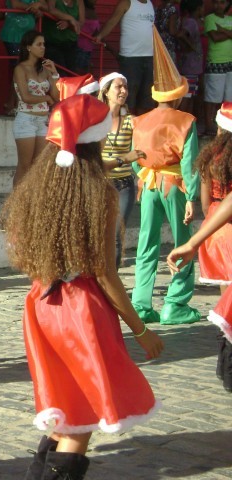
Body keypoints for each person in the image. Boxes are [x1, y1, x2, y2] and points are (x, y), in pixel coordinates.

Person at [3, 94, 163, 480]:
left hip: (42, 304)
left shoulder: (37, 186)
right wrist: (140, 329)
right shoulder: (98, 193)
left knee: (65, 404)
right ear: (96, 139)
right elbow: (105, 273)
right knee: (83, 413)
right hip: (81, 311)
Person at [131, 27, 201, 325]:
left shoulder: (140, 121)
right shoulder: (186, 121)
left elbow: (135, 159)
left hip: (148, 184)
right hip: (174, 186)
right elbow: (190, 163)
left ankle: (140, 304)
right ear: (178, 95)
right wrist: (192, 197)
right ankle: (175, 304)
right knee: (183, 243)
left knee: (146, 245)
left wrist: (144, 176)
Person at [167, 102, 232, 393]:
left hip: (215, 232)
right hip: (227, 230)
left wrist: (205, 233)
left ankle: (225, 363)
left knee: (226, 301)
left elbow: (206, 205)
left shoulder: (209, 159)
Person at [98, 72, 146, 268]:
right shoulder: (95, 120)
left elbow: (141, 150)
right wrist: (124, 158)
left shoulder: (132, 121)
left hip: (124, 184)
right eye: (118, 86)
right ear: (106, 91)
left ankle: (112, 277)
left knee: (116, 235)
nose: (124, 91)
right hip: (99, 184)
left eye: (125, 87)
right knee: (98, 234)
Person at [12, 30, 60, 185]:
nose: (43, 48)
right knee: (24, 164)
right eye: (39, 44)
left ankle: (31, 197)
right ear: (28, 47)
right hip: (26, 119)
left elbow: (57, 97)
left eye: (44, 44)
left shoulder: (45, 69)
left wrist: (54, 74)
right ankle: (16, 199)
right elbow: (26, 97)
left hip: (43, 120)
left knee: (38, 166)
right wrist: (46, 98)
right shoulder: (20, 69)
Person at [195, 102, 232, 289]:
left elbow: (204, 203)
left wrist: (211, 219)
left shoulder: (209, 158)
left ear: (220, 129)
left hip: (215, 223)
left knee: (225, 286)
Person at [95, 0, 155, 115]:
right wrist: (100, 36)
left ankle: (142, 125)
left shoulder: (150, 4)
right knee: (128, 97)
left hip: (149, 57)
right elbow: (112, 21)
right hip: (131, 58)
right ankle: (126, 124)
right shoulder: (127, 2)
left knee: (146, 99)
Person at [0, 0, 47, 115]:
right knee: (19, 70)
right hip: (13, 35)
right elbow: (15, 4)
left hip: (27, 38)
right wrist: (33, 8)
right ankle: (11, 104)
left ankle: (13, 104)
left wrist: (39, 5)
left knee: (22, 69)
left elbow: (46, 6)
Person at [203, 0, 232, 136]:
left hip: (230, 63)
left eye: (222, 3)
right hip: (215, 62)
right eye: (216, 3)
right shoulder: (210, 18)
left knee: (228, 98)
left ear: (227, 4)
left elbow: (220, 35)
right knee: (212, 97)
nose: (218, 6)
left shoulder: (230, 19)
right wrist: (229, 33)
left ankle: (226, 126)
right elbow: (215, 37)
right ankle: (209, 126)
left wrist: (223, 30)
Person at [42, 0, 84, 76]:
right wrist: (71, 18)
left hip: (71, 43)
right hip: (53, 43)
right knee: (59, 74)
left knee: (72, 74)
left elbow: (81, 22)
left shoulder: (79, 1)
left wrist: (68, 24)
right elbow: (51, 10)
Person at [177, 0, 204, 116]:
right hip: (191, 66)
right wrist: (192, 46)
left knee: (191, 94)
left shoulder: (189, 21)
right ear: (198, 9)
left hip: (193, 66)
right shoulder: (191, 22)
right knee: (187, 96)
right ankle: (181, 120)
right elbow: (181, 34)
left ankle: (188, 120)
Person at [76, 0, 99, 74]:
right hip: (79, 48)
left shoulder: (92, 12)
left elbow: (96, 33)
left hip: (88, 49)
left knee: (86, 74)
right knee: (78, 72)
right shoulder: (80, 11)